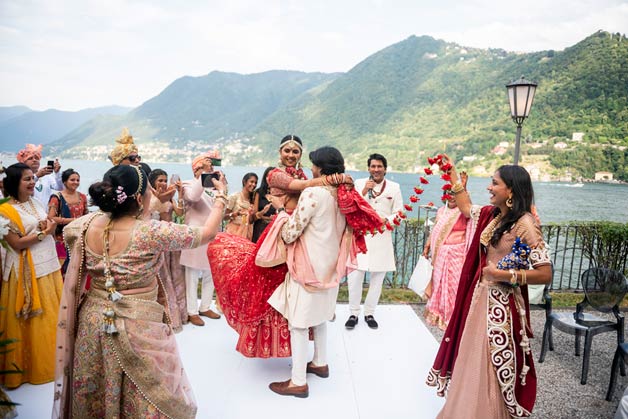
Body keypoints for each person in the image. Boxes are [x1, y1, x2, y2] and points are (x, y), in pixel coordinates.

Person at [52, 164, 228, 418]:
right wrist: (221, 196)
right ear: (137, 198)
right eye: (148, 192)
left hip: (92, 321)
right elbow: (207, 233)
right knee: (148, 391)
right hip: (138, 324)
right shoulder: (149, 232)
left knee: (96, 384)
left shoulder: (81, 226)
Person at [209, 135, 357, 358]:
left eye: (295, 152)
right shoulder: (274, 174)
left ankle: (297, 345)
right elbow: (303, 186)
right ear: (280, 153)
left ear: (301, 155)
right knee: (268, 288)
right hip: (279, 235)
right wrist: (337, 178)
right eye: (286, 151)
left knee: (292, 294)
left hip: (299, 236)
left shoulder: (308, 178)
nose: (290, 155)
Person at [426, 157, 552, 418]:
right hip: (480, 299)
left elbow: (545, 273)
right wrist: (451, 173)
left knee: (489, 362)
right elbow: (465, 207)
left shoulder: (525, 224)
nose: (489, 187)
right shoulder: (494, 216)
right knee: (471, 358)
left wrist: (504, 274)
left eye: (495, 183)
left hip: (501, 308)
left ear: (511, 191)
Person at [265, 146, 363, 398]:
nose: (311, 168)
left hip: (307, 266)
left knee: (298, 324)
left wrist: (280, 213)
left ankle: (298, 381)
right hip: (331, 267)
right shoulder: (345, 194)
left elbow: (290, 233)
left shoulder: (313, 193)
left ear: (320, 168)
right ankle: (320, 362)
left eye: (313, 165)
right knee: (320, 317)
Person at [0, 163, 62, 389]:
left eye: (32, 178)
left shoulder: (35, 202)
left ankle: (49, 364)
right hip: (25, 270)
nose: (32, 182)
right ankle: (25, 370)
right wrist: (44, 233)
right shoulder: (5, 210)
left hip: (47, 265)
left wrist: (49, 229)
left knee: (49, 318)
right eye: (26, 179)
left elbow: (46, 226)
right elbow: (15, 244)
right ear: (14, 183)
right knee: (31, 323)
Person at [345, 153, 403, 330]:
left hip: (381, 237)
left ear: (385, 169)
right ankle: (353, 313)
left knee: (377, 279)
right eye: (373, 166)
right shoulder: (359, 184)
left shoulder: (394, 187)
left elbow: (399, 213)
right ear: (368, 168)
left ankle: (369, 313)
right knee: (355, 277)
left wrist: (387, 221)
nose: (376, 169)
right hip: (361, 237)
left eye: (379, 166)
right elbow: (351, 207)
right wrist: (363, 192)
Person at [422, 171, 478, 330]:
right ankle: (440, 315)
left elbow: (469, 208)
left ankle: (454, 319)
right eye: (448, 193)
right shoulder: (441, 211)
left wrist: (463, 189)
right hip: (440, 256)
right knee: (440, 286)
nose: (452, 197)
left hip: (457, 257)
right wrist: (427, 247)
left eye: (455, 194)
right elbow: (436, 231)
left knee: (453, 289)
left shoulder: (463, 211)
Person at [179, 151, 223, 326]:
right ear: (196, 169)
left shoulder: (214, 188)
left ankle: (205, 306)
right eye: (205, 168)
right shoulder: (187, 184)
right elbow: (193, 197)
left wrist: (221, 185)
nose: (209, 170)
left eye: (210, 167)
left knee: (210, 273)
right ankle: (192, 310)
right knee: (192, 274)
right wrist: (203, 177)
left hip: (212, 236)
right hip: (196, 237)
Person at [148, 168, 188, 331]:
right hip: (160, 240)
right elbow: (150, 214)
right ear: (153, 183)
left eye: (165, 180)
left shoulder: (169, 197)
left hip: (172, 238)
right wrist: (157, 196)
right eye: (160, 180)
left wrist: (179, 195)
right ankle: (167, 316)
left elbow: (180, 212)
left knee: (176, 275)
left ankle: (181, 314)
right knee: (164, 279)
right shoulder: (150, 198)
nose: (164, 183)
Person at [47, 168, 89, 272]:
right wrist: (71, 220)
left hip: (79, 238)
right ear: (64, 181)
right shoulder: (56, 197)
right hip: (62, 238)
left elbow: (86, 215)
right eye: (72, 180)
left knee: (78, 269)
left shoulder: (82, 197)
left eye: (78, 180)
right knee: (63, 270)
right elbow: (50, 218)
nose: (76, 182)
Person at [224, 172, 258, 240]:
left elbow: (252, 220)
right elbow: (224, 217)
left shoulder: (254, 200)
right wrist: (235, 214)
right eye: (251, 182)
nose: (254, 185)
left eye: (255, 183)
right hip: (234, 232)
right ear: (244, 182)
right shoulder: (234, 197)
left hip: (247, 232)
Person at [251, 166, 275, 243]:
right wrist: (266, 216)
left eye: (273, 176)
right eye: (268, 176)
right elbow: (254, 215)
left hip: (273, 228)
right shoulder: (259, 192)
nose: (270, 178)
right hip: (260, 228)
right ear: (265, 177)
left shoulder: (279, 193)